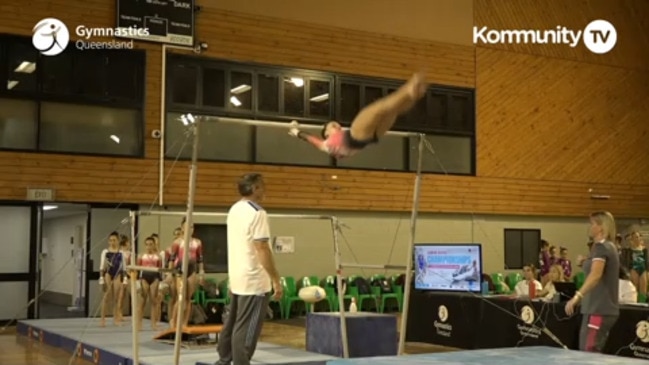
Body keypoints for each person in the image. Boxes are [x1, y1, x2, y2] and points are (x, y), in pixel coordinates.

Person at [216, 173, 283, 365]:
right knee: (246, 329)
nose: (265, 190)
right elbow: (261, 248)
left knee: (232, 323)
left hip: (237, 276)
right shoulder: (257, 213)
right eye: (263, 186)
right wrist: (275, 278)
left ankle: (224, 360)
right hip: (254, 281)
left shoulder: (234, 209)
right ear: (254, 188)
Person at [288, 73, 427, 159]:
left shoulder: (334, 142)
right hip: (357, 136)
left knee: (392, 110)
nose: (336, 124)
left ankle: (412, 96)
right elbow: (311, 139)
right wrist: (296, 131)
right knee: (379, 107)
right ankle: (409, 90)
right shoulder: (326, 144)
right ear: (326, 133)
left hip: (369, 138)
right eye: (332, 125)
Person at [564, 211, 620, 353]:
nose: (589, 227)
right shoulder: (600, 248)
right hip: (594, 308)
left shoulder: (603, 248)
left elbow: (596, 275)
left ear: (601, 227)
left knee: (589, 351)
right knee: (588, 350)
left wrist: (577, 296)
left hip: (599, 309)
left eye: (592, 224)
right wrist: (585, 262)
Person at [168, 218, 205, 328]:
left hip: (192, 270)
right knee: (180, 297)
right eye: (188, 226)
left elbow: (200, 259)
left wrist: (201, 272)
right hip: (180, 270)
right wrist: (170, 273)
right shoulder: (177, 242)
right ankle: (173, 322)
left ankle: (184, 323)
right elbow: (171, 259)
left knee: (188, 298)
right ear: (183, 228)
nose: (190, 228)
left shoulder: (197, 242)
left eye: (192, 226)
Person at [99, 232, 126, 327]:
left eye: (114, 240)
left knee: (116, 297)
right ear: (108, 241)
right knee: (106, 296)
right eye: (110, 240)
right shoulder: (105, 252)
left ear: (118, 241)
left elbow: (124, 267)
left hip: (118, 274)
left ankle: (116, 319)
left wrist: (125, 278)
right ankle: (102, 319)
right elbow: (102, 266)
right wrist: (101, 278)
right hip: (108, 273)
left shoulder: (121, 252)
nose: (112, 242)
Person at [137, 236, 163, 330]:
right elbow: (138, 269)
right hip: (144, 277)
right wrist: (138, 282)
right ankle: (139, 323)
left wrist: (160, 284)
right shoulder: (141, 256)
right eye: (147, 245)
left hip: (155, 277)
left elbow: (160, 270)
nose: (149, 246)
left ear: (154, 245)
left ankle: (153, 323)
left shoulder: (158, 257)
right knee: (142, 301)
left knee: (153, 301)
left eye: (151, 244)